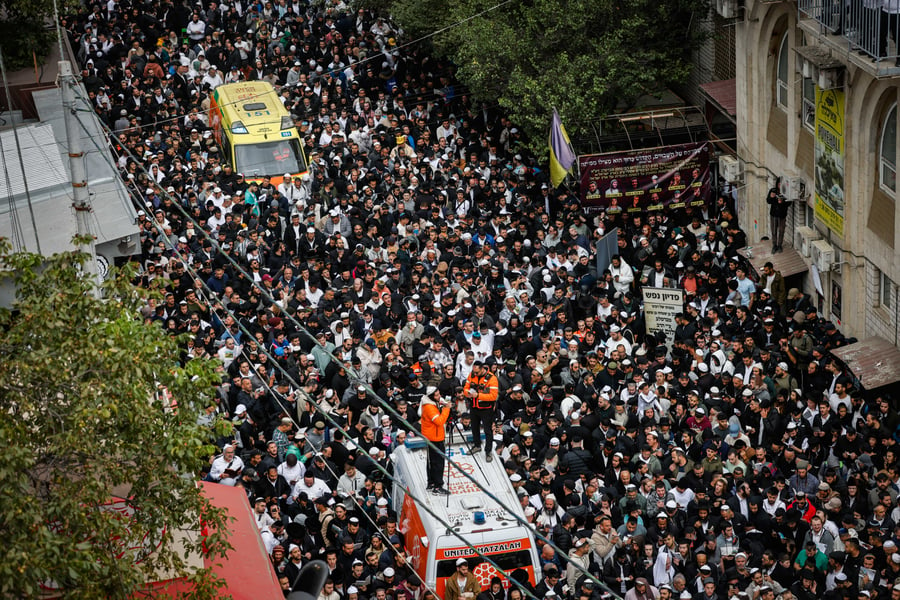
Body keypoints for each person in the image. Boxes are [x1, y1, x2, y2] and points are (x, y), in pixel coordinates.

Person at [463, 360, 499, 462]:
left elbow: (493, 396)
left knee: (487, 431)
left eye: (477, 372)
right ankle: (477, 445)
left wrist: (478, 395)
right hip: (474, 407)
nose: (475, 374)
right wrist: (468, 393)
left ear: (483, 369)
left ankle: (488, 451)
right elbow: (465, 388)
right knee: (474, 428)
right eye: (474, 372)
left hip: (486, 409)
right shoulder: (472, 375)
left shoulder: (492, 379)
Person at [420, 386, 451, 495]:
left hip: (431, 436)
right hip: (435, 438)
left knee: (431, 461)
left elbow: (441, 401)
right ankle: (438, 486)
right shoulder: (429, 407)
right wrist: (447, 409)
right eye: (437, 395)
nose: (439, 397)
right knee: (438, 463)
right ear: (431, 397)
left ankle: (431, 483)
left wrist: (443, 403)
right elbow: (439, 421)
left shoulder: (428, 402)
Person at [766, 187, 789, 253]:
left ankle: (779, 245)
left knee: (781, 231)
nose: (779, 186)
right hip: (774, 215)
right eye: (778, 184)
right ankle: (774, 245)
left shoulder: (786, 191)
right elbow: (768, 201)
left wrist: (781, 202)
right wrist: (772, 197)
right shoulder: (773, 190)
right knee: (773, 230)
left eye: (780, 184)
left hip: (782, 215)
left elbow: (789, 203)